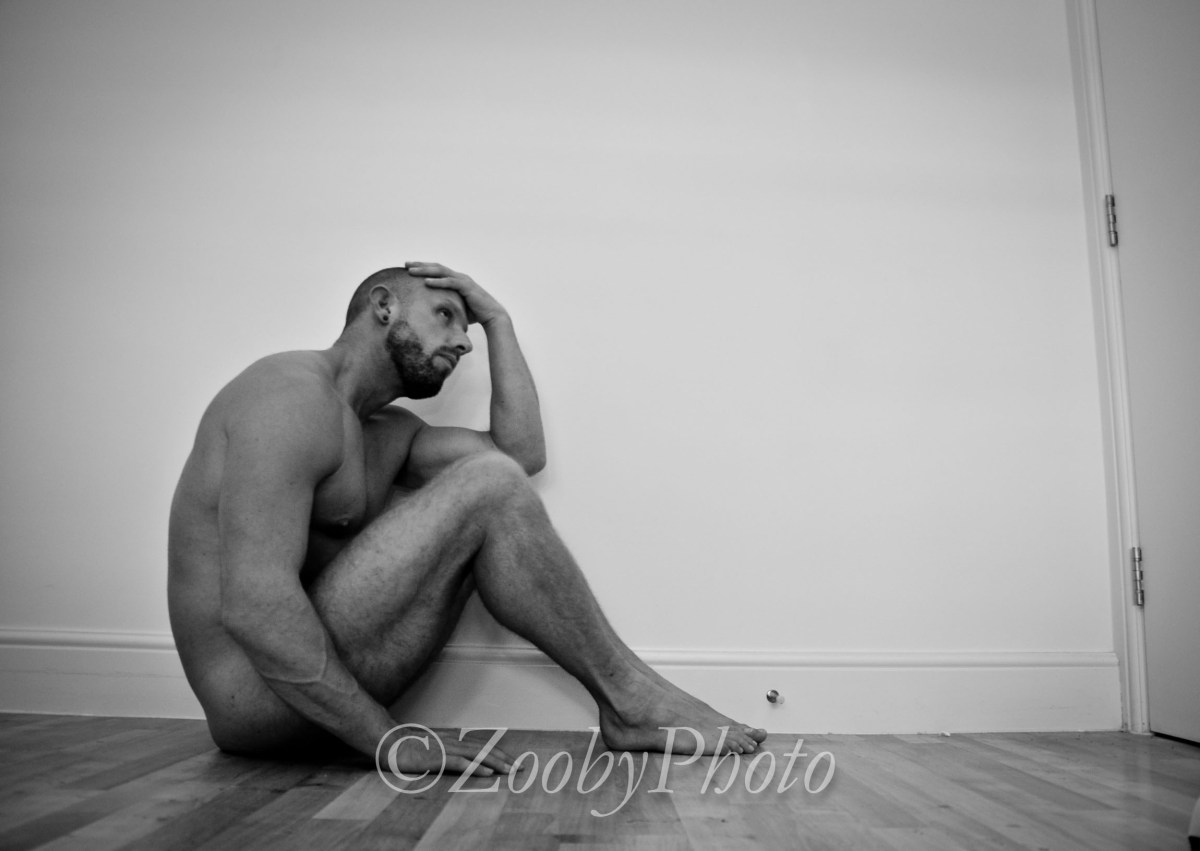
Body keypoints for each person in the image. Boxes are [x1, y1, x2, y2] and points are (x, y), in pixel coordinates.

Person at [168, 262, 766, 776]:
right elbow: (254, 605)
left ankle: (630, 700)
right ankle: (631, 699)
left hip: (320, 688)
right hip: (255, 698)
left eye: (468, 326)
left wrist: (499, 320)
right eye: (446, 316)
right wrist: (388, 740)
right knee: (486, 483)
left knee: (495, 482)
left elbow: (519, 455)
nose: (463, 342)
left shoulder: (388, 432)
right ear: (383, 306)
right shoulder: (287, 397)